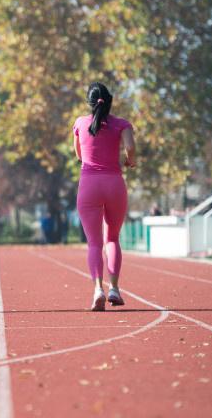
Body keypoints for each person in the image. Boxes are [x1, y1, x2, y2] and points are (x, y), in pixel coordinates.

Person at [73, 82, 136, 311]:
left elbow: (78, 153)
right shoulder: (122, 124)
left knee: (94, 243)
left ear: (89, 102)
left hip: (88, 185)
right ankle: (115, 289)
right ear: (110, 101)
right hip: (114, 185)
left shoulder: (80, 123)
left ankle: (98, 289)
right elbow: (130, 148)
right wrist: (131, 161)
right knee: (112, 239)